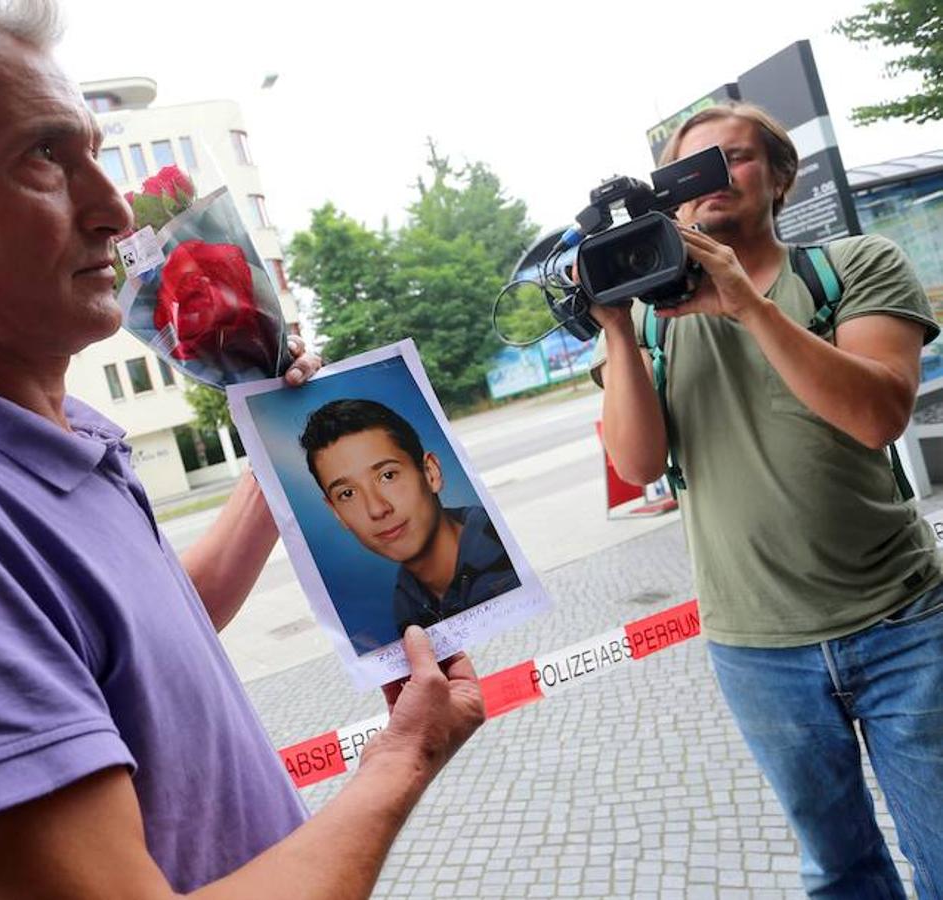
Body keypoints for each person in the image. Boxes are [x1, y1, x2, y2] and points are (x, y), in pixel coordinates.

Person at [0, 2, 484, 897]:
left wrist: (281, 458)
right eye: (41, 156)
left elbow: (141, 634)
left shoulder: (66, 445)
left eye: (94, 157)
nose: (112, 211)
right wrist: (404, 755)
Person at [592, 101, 943, 897]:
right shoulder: (652, 322)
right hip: (755, 650)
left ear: (780, 178)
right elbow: (639, 462)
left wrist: (746, 305)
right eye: (690, 171)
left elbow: (878, 414)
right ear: (668, 198)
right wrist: (616, 328)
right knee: (837, 871)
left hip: (904, 627)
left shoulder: (855, 265)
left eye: (735, 159)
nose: (712, 181)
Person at [300, 399, 519, 634]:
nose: (376, 509)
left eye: (388, 475)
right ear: (336, 512)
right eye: (347, 493)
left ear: (430, 473)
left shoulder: (509, 546)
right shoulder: (406, 606)